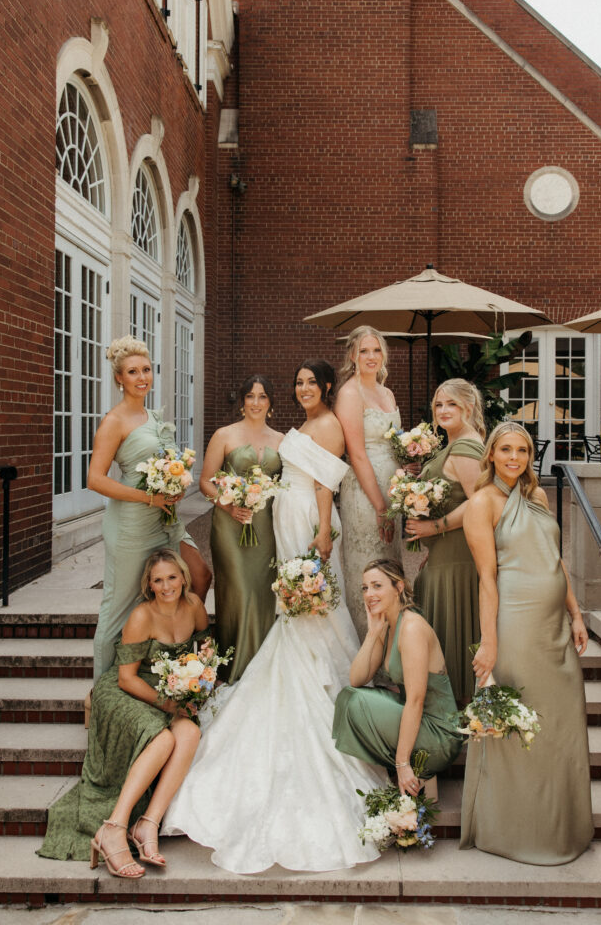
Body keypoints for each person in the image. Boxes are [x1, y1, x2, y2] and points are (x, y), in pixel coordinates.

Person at [162, 359, 388, 874]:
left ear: (327, 387)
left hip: (304, 517)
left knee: (304, 609)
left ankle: (321, 678)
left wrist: (325, 530)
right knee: (282, 603)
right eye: (299, 383)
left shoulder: (327, 423)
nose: (303, 388)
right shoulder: (302, 425)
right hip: (274, 519)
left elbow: (327, 482)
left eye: (312, 382)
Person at [460, 423, 594, 865]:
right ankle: (516, 831)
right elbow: (486, 579)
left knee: (560, 723)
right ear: (492, 455)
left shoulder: (537, 497)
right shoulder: (482, 503)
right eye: (506, 450)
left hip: (555, 625)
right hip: (516, 625)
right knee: (522, 724)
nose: (515, 458)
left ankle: (562, 827)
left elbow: (555, 561)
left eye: (522, 450)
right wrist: (490, 642)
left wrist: (575, 614)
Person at [37, 549, 209, 876]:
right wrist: (169, 703)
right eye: (158, 580)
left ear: (184, 578)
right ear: (149, 585)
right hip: (124, 690)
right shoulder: (142, 616)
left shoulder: (195, 607)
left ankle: (147, 824)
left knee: (190, 733)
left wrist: (199, 680)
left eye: (172, 577)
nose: (166, 586)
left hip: (169, 688)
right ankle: (113, 827)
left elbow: (203, 648)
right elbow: (125, 678)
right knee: (161, 740)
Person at [88, 336, 211, 680]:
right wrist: (148, 498)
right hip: (131, 524)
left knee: (199, 574)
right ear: (119, 378)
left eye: (146, 369)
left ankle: (175, 666)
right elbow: (95, 479)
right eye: (132, 372)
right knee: (118, 608)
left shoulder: (151, 416)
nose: (142, 377)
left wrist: (176, 479)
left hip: (165, 520)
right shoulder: (115, 421)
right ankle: (100, 694)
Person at [332, 559, 461, 794]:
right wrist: (372, 634)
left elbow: (416, 700)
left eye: (377, 586)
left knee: (355, 702)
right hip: (420, 722)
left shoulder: (411, 627)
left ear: (399, 587)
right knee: (350, 696)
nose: (369, 594)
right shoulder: (388, 626)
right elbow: (356, 679)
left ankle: (397, 765)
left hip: (439, 734)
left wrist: (402, 764)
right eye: (365, 587)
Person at [406, 379, 485, 705]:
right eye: (438, 405)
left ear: (468, 407)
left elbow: (480, 504)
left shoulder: (466, 446)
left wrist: (433, 528)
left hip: (458, 560)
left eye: (451, 404)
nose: (443, 410)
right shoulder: (453, 445)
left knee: (453, 633)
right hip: (444, 556)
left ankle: (458, 712)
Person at [200, 374, 283, 681]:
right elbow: (204, 481)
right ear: (242, 401)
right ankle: (233, 669)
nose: (256, 403)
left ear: (270, 402)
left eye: (262, 396)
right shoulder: (224, 435)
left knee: (262, 593)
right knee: (238, 590)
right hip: (229, 526)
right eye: (250, 396)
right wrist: (229, 504)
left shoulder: (281, 440)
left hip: (264, 528)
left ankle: (258, 669)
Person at [335, 326, 401, 640]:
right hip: (365, 493)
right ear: (352, 355)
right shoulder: (350, 393)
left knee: (389, 565)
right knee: (368, 564)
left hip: (393, 489)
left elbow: (396, 444)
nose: (371, 357)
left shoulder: (387, 392)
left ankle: (391, 643)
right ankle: (366, 644)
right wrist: (380, 506)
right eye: (364, 351)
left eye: (376, 350)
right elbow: (357, 454)